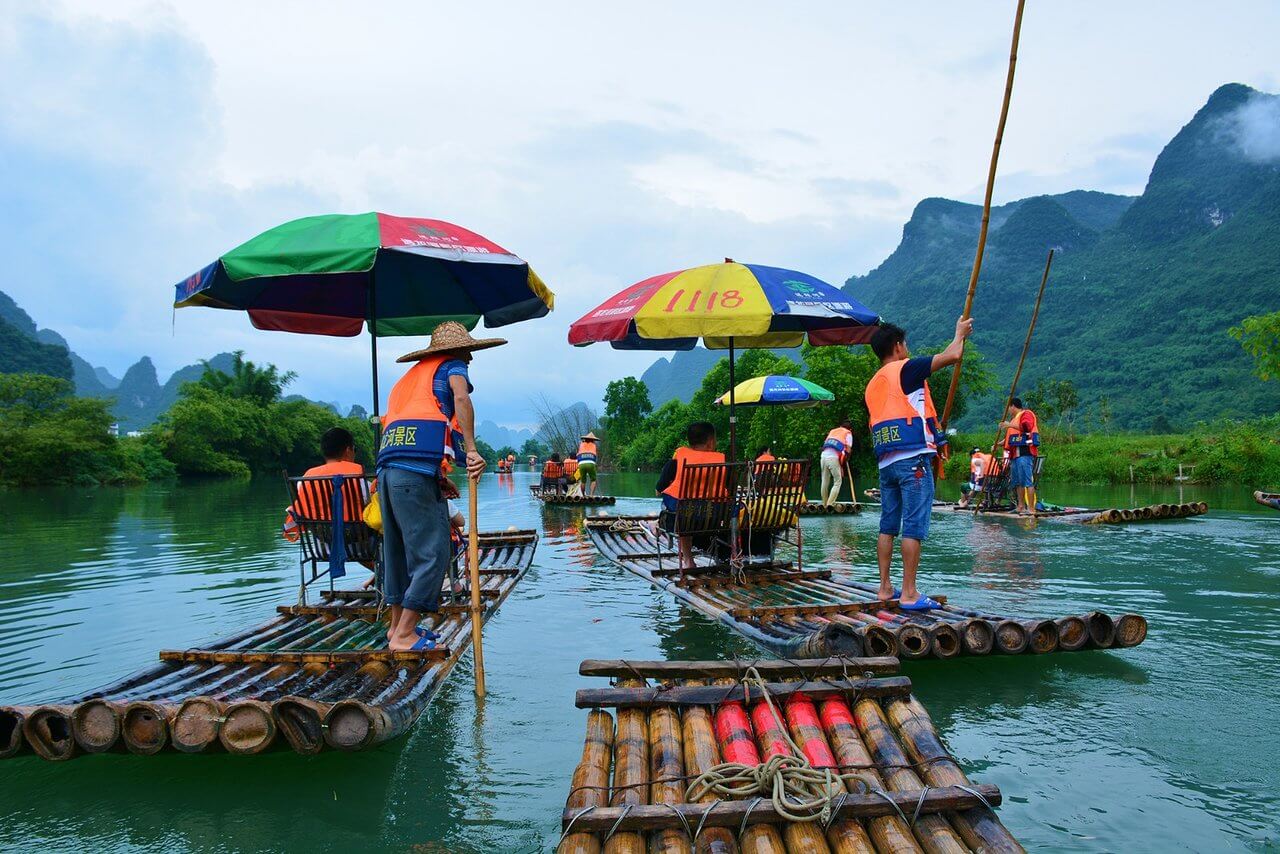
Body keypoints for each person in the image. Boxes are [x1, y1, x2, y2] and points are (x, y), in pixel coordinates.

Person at [377, 321, 498, 652]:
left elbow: (412, 433)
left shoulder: (409, 378)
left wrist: (438, 477)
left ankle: (395, 629)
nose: (470, 359)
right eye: (469, 352)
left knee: (398, 552)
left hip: (387, 472)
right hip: (411, 473)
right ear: (457, 351)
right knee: (434, 552)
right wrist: (472, 449)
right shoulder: (453, 366)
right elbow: (461, 398)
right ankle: (404, 635)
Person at [865, 316, 973, 609]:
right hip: (912, 459)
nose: (908, 349)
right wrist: (959, 332)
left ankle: (885, 587)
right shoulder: (906, 369)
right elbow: (952, 355)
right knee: (913, 526)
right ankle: (910, 592)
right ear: (898, 346)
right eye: (906, 344)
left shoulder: (873, 383)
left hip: (887, 462)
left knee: (888, 525)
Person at [655, 422, 725, 572]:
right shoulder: (723, 461)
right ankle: (729, 557)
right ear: (711, 442)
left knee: (680, 509)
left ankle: (688, 560)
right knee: (688, 510)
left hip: (686, 517)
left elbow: (658, 491)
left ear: (689, 441)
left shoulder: (677, 461)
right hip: (715, 515)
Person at [282, 427, 368, 541]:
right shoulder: (359, 479)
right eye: (354, 449)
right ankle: (372, 559)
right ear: (348, 450)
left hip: (323, 542)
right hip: (358, 542)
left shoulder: (304, 480)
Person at [998, 397, 1040, 514]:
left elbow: (1027, 427)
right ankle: (1020, 506)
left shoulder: (1026, 414)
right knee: (1018, 482)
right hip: (1014, 455)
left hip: (1025, 452)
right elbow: (1009, 439)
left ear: (1012, 406)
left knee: (1027, 481)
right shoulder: (1013, 421)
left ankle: (1031, 509)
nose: (1009, 411)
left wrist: (1009, 425)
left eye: (1009, 408)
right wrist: (998, 444)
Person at [819, 419, 854, 506]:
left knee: (824, 481)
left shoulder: (833, 431)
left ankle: (824, 504)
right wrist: (847, 458)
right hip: (833, 458)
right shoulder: (848, 433)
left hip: (823, 456)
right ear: (850, 429)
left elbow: (825, 444)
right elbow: (848, 450)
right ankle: (830, 504)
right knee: (838, 481)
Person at [576, 431, 601, 496]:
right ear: (593, 440)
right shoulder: (594, 445)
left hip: (581, 463)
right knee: (593, 480)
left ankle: (583, 495)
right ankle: (591, 495)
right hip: (590, 463)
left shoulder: (581, 444)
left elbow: (578, 455)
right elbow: (595, 457)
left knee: (583, 481)